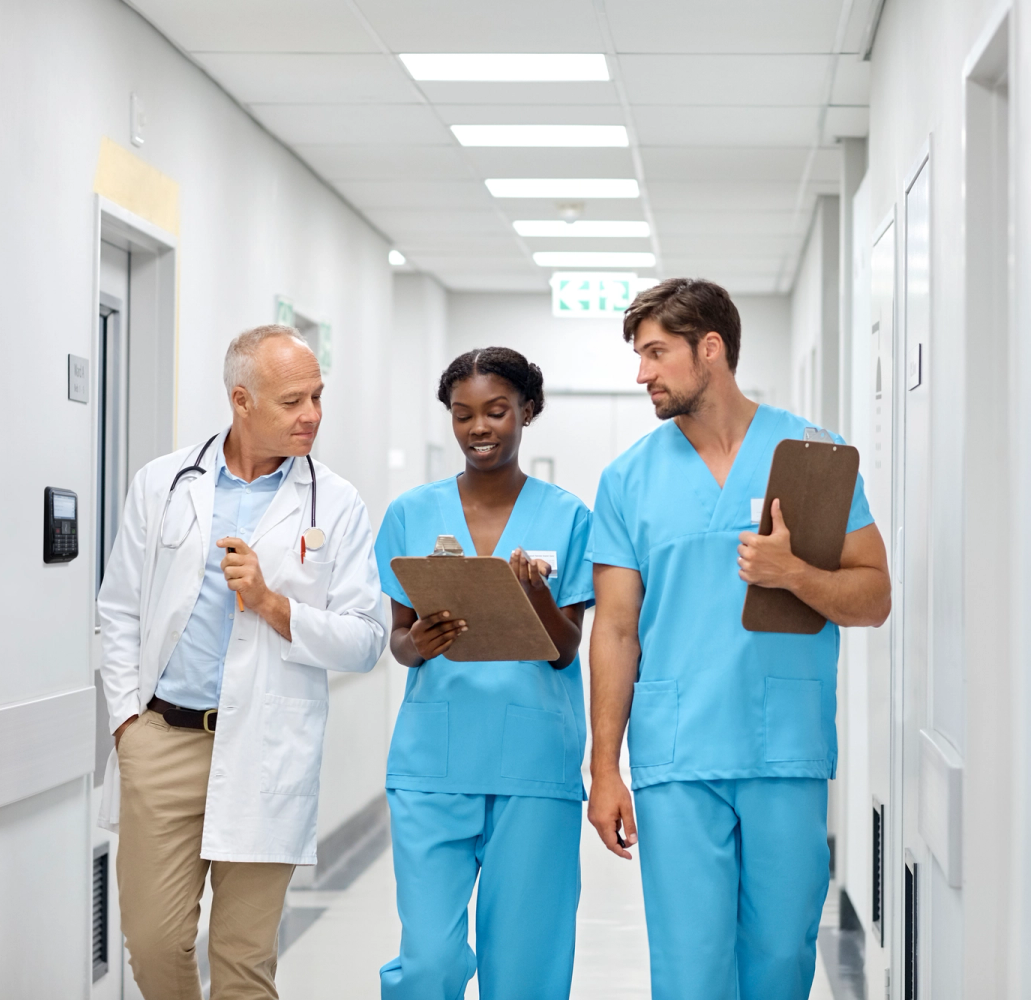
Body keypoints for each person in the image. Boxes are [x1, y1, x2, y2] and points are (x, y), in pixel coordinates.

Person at [587, 278, 892, 999]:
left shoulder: (814, 455)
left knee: (781, 962)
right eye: (639, 355)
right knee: (692, 972)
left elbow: (874, 595)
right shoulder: (628, 479)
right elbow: (617, 630)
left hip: (783, 746)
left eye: (657, 353)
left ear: (711, 350)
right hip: (678, 751)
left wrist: (795, 573)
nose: (643, 374)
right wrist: (604, 770)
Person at [97, 324, 387, 1000]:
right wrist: (125, 725)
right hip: (163, 741)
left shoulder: (335, 502)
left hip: (265, 744)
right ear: (241, 400)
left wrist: (270, 603)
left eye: (317, 396)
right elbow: (118, 611)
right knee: (156, 943)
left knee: (243, 960)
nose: (311, 414)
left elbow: (366, 638)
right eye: (292, 401)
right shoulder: (164, 483)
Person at [374, 347, 592, 1000]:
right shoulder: (411, 513)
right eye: (463, 414)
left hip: (533, 765)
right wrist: (420, 641)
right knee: (431, 961)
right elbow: (400, 642)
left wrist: (534, 599)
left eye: (496, 411)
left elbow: (565, 650)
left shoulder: (569, 516)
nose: (479, 427)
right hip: (433, 764)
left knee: (526, 969)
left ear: (527, 411)